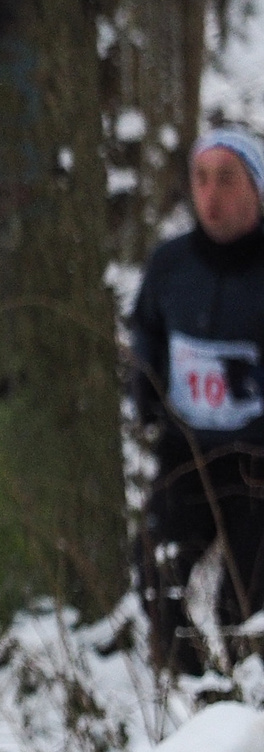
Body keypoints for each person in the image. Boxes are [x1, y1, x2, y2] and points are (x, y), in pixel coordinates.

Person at [130, 127, 264, 678]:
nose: (210, 196)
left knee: (247, 601)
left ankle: (247, 704)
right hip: (185, 450)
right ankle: (188, 688)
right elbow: (147, 330)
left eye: (227, 179)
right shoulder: (171, 265)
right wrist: (147, 395)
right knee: (159, 572)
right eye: (200, 179)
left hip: (257, 463)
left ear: (256, 189)